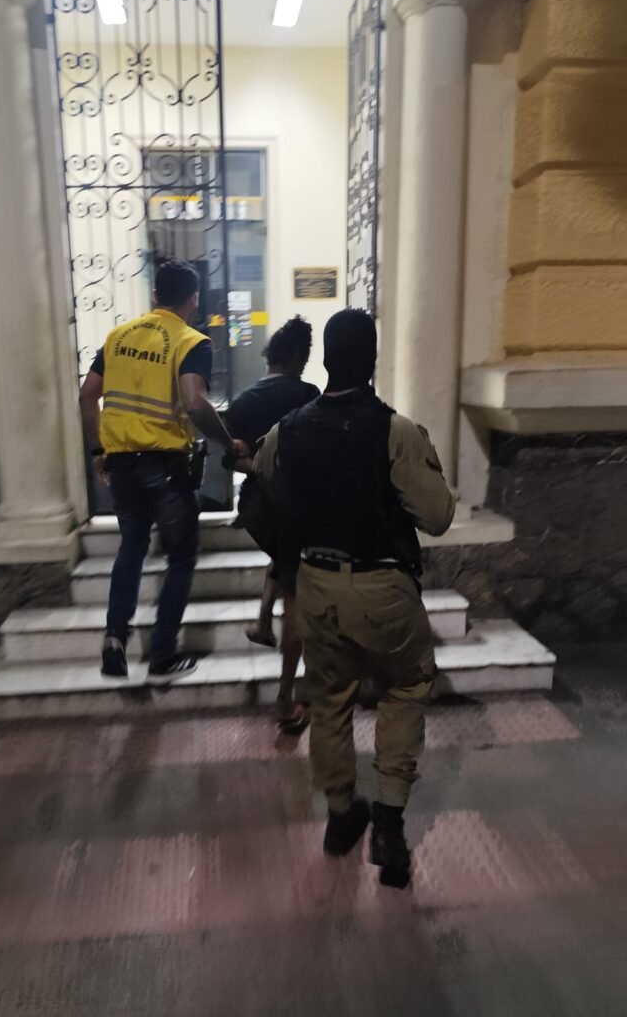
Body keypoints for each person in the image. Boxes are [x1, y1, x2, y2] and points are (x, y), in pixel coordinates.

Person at [254, 308, 455, 888]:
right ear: (372, 361)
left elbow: (262, 475)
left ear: (324, 360)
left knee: (330, 698)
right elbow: (438, 516)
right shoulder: (396, 431)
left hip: (316, 585)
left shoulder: (289, 429)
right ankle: (388, 823)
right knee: (406, 687)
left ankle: (342, 816)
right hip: (382, 587)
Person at [79, 260, 243, 684]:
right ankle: (162, 654)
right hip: (165, 466)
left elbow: (88, 395)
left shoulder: (118, 336)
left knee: (132, 546)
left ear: (155, 295)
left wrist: (98, 449)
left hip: (121, 463)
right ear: (194, 300)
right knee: (181, 557)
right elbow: (193, 401)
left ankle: (114, 639)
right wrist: (228, 442)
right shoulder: (192, 341)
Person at [225, 316, 319, 734]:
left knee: (283, 556)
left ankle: (264, 621)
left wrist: (257, 466)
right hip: (297, 505)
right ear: (297, 356)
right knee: (295, 595)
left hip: (257, 508)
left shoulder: (243, 401)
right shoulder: (308, 396)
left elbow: (231, 461)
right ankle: (285, 697)